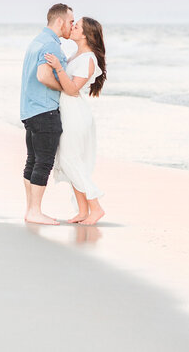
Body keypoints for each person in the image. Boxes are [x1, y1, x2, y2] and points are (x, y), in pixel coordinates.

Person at [45, 17, 107, 225]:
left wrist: (58, 68)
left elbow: (72, 89)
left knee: (71, 160)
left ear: (85, 34)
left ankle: (96, 208)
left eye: (76, 26)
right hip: (68, 112)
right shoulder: (76, 55)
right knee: (68, 160)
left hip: (75, 115)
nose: (72, 27)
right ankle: (82, 211)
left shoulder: (88, 58)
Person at [20, 3, 74, 225]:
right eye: (71, 21)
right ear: (60, 21)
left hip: (29, 110)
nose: (72, 25)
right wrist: (65, 87)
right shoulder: (50, 44)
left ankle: (31, 209)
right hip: (45, 111)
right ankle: (34, 211)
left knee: (33, 160)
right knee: (43, 162)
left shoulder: (36, 42)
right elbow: (43, 75)